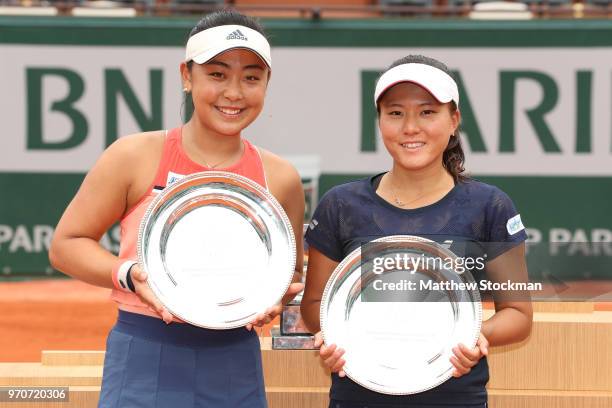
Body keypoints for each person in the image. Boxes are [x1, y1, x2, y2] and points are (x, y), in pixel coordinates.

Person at [49, 10, 305, 408]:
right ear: (187, 76)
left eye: (251, 77)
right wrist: (130, 275)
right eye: (217, 74)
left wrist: (272, 301)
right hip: (144, 354)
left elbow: (290, 270)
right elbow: (66, 244)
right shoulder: (132, 156)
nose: (234, 92)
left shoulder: (281, 178)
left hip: (235, 360)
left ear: (266, 84)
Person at [300, 55, 533, 408]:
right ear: (379, 121)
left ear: (454, 120)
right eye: (395, 113)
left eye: (427, 112)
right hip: (359, 392)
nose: (410, 127)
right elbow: (314, 305)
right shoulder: (340, 205)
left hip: (456, 396)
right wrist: (337, 337)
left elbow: (518, 314)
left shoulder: (490, 206)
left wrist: (467, 337)